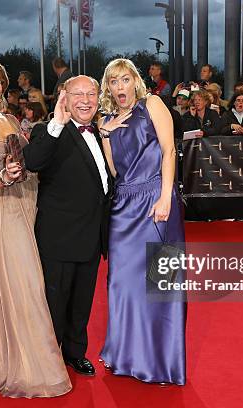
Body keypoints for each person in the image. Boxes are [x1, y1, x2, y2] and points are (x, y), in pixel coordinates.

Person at [0, 58, 72, 398]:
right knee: (27, 285)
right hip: (4, 211)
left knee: (38, 278)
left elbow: (29, 158)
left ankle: (32, 351)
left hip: (30, 201)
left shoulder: (9, 119)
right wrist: (4, 176)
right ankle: (31, 365)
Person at [97, 58, 186, 385]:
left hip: (155, 201)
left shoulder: (152, 103)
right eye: (113, 82)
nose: (120, 87)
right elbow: (115, 172)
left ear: (135, 80)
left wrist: (166, 196)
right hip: (123, 206)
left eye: (124, 80)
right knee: (121, 284)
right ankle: (123, 354)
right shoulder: (107, 120)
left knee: (159, 284)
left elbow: (169, 149)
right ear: (108, 87)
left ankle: (161, 362)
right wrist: (105, 136)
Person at [23, 75, 112, 378]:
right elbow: (32, 161)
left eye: (92, 93)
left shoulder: (102, 133)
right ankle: (48, 359)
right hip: (59, 237)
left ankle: (75, 353)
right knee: (54, 304)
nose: (86, 100)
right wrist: (57, 124)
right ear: (64, 97)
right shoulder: (48, 130)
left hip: (92, 236)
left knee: (81, 303)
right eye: (78, 94)